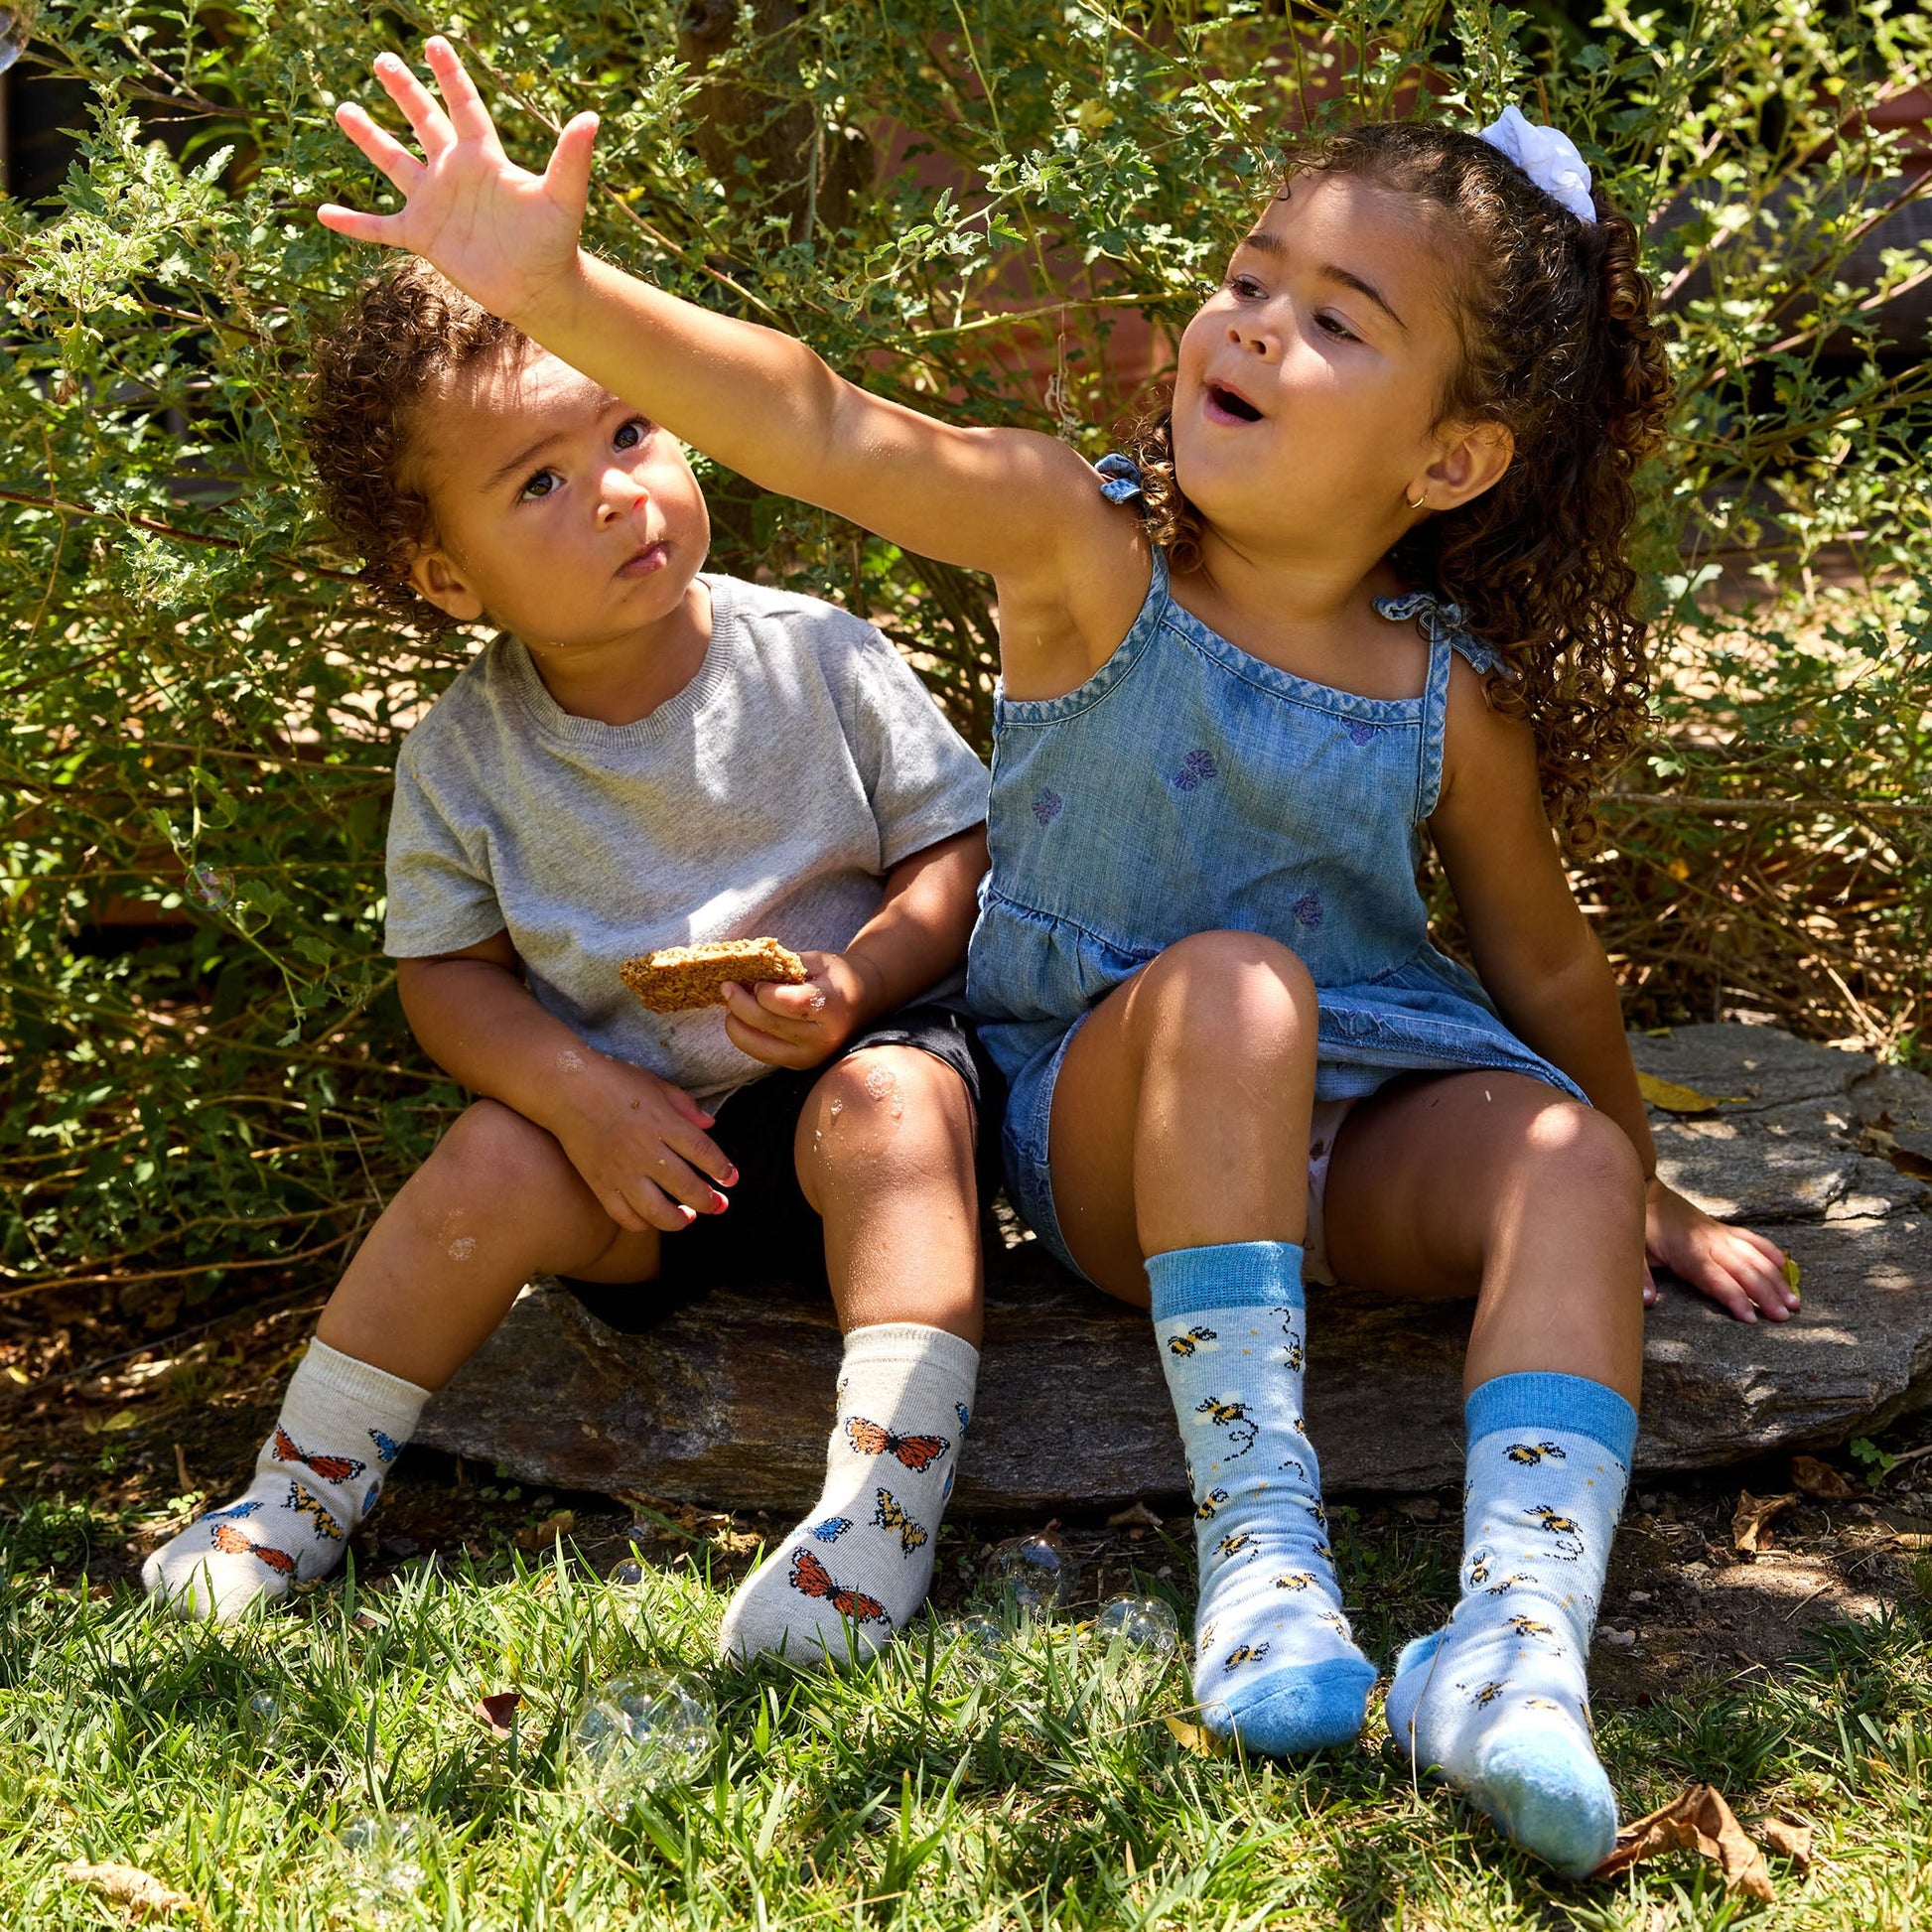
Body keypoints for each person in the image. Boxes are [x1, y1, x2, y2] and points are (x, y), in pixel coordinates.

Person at [316, 47, 1796, 1871]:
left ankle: (1508, 1652)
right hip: (1113, 1127)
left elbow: (1553, 984)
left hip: (1370, 1129)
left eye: (1330, 316)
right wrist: (553, 290)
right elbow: (820, 417)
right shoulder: (1080, 548)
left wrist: (1641, 1190)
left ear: (1451, 453)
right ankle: (1261, 1558)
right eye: (1246, 277)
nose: (1245, 325)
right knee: (1237, 985)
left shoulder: (1444, 692)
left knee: (1561, 1149)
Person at [141, 256, 996, 1671]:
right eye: (537, 482)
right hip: (634, 1166)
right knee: (484, 1155)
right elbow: (447, 978)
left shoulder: (817, 659)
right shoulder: (463, 754)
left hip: (848, 1096)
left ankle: (874, 1517)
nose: (611, 488)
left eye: (628, 431)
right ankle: (295, 1491)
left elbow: (958, 859)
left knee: (898, 1107)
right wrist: (577, 1094)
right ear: (447, 577)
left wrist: (856, 983)